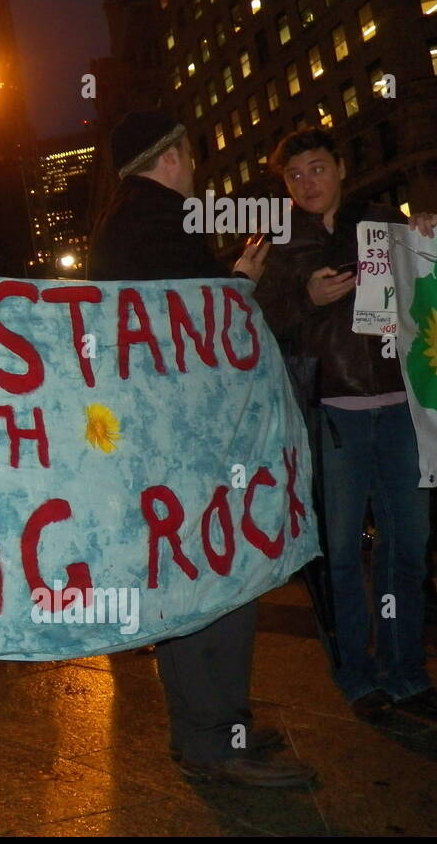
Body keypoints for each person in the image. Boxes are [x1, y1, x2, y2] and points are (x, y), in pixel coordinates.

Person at [88, 109, 317, 787]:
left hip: (164, 439)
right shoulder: (157, 219)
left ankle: (209, 731)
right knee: (215, 576)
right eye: (189, 156)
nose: (194, 169)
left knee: (197, 575)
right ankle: (214, 741)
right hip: (190, 442)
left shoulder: (126, 222)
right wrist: (241, 282)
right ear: (170, 159)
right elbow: (194, 319)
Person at [255, 128, 437, 726]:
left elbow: (421, 288)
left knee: (406, 546)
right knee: (339, 552)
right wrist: (304, 297)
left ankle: (404, 669)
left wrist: (428, 233)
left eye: (317, 168)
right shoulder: (276, 242)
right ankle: (356, 677)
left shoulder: (381, 221)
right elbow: (254, 321)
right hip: (331, 415)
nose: (308, 183)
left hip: (402, 408)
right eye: (295, 176)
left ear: (340, 166)